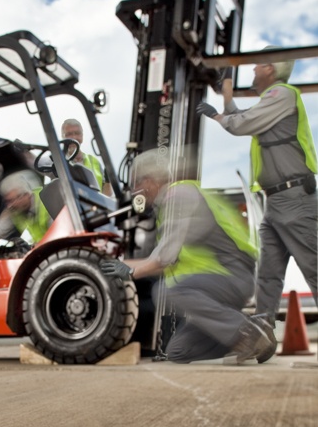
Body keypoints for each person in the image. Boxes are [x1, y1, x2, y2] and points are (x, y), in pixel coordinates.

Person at [99, 148, 274, 365]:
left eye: (136, 184)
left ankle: (248, 335)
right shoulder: (169, 206)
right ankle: (254, 330)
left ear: (150, 181)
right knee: (178, 351)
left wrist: (130, 271)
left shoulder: (179, 196)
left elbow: (163, 259)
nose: (135, 191)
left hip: (232, 276)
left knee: (166, 290)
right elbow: (160, 260)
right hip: (217, 281)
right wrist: (110, 265)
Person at [197, 48, 317, 331]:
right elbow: (241, 116)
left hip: (294, 199)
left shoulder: (282, 94)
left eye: (256, 66)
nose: (252, 71)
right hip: (276, 202)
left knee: (314, 267)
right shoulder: (270, 102)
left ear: (270, 69)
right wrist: (226, 93)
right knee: (269, 274)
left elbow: (241, 124)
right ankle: (262, 331)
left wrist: (216, 116)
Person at [0, 171, 51, 245]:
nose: (9, 206)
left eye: (11, 201)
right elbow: (0, 228)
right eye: (7, 202)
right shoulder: (16, 211)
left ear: (26, 195)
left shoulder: (48, 202)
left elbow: (58, 233)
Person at [60, 118, 113, 196]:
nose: (74, 137)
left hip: (94, 206)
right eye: (69, 134)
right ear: (62, 137)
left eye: (77, 133)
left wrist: (108, 180)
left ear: (82, 135)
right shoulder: (57, 162)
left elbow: (106, 195)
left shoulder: (94, 162)